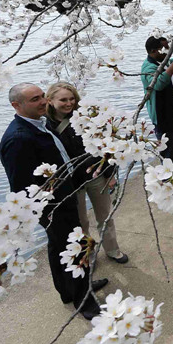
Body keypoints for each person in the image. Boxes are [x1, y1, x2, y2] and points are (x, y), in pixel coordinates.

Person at [0, 83, 107, 320]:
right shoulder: (19, 138)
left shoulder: (38, 124)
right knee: (73, 247)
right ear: (16, 106)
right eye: (34, 99)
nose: (42, 102)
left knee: (58, 247)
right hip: (52, 206)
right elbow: (20, 185)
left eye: (42, 97)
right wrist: (45, 211)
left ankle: (68, 291)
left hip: (64, 197)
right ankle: (84, 300)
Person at [46, 82, 129, 265]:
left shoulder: (87, 118)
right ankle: (87, 253)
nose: (69, 103)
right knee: (81, 221)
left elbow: (105, 149)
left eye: (72, 99)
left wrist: (110, 175)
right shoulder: (46, 126)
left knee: (105, 216)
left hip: (95, 176)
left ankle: (112, 249)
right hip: (71, 182)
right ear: (50, 101)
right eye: (63, 100)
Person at [140, 36, 173, 167]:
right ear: (154, 51)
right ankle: (170, 181)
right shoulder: (147, 68)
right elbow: (159, 83)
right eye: (165, 48)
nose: (168, 51)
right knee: (170, 154)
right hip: (165, 119)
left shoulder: (162, 61)